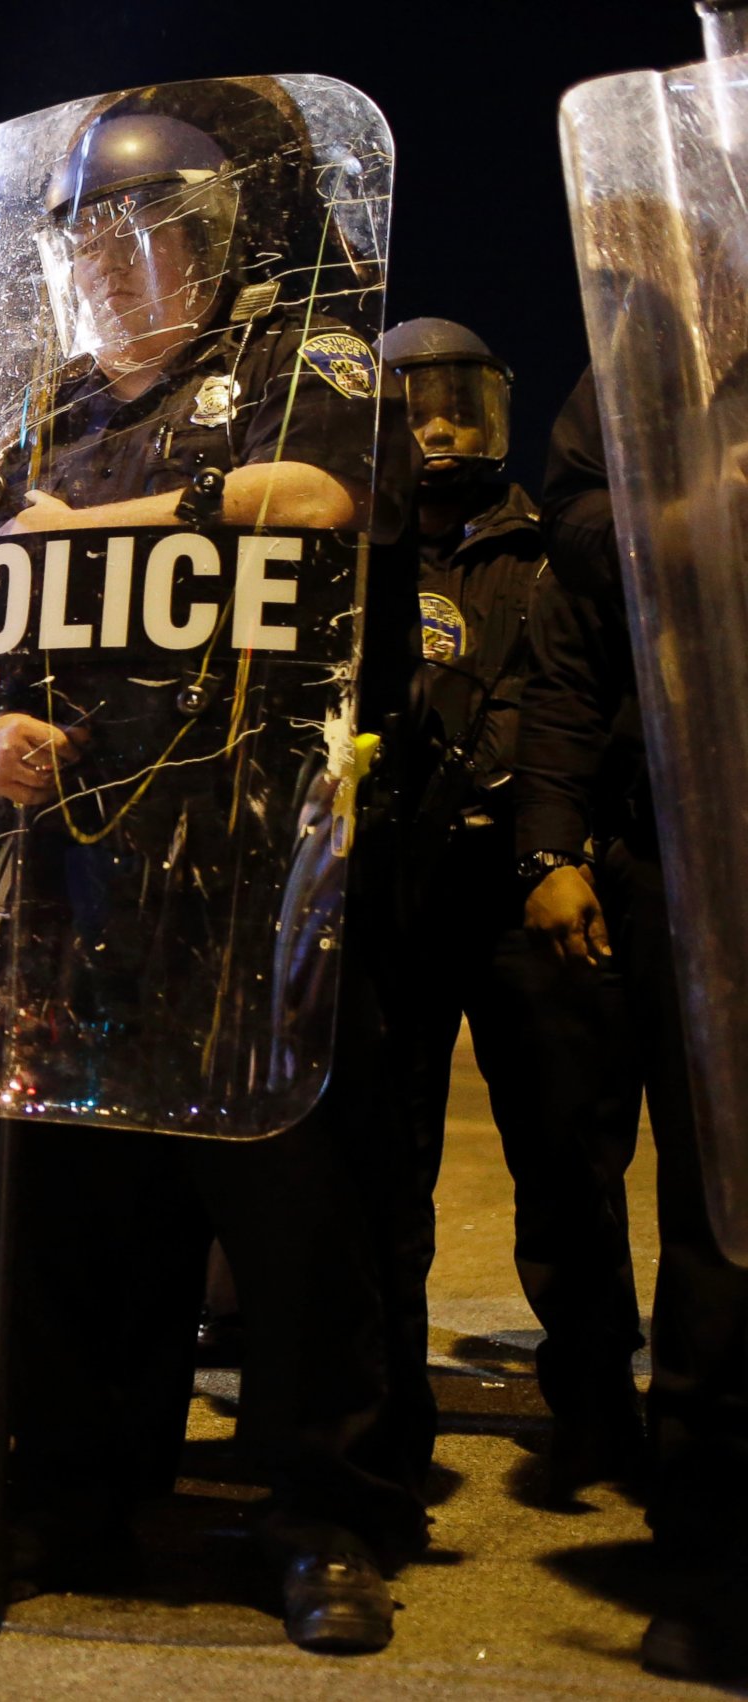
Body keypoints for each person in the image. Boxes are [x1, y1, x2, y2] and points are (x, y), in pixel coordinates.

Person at [0, 82, 425, 1654]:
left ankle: (326, 1519)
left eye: (152, 233)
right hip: (69, 883)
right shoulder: (46, 414)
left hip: (251, 874)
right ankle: (70, 1491)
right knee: (69, 1208)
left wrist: (116, 519)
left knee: (294, 1218)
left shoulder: (292, 366)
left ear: (213, 242)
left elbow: (319, 502)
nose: (120, 266)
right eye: (92, 237)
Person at [374, 321, 645, 1491]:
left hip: (521, 897)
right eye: (415, 406)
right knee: (387, 1172)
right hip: (393, 900)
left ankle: (595, 1402)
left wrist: (545, 842)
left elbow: (570, 701)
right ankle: (386, 1420)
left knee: (567, 1159)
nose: (440, 427)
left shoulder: (554, 550)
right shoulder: (351, 557)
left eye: (461, 404)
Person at [518, 369, 748, 1683]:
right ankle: (714, 1550)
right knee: (721, 1213)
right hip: (696, 855)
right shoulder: (652, 376)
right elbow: (572, 632)